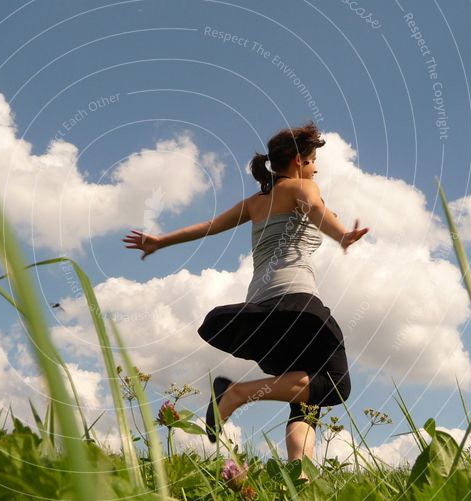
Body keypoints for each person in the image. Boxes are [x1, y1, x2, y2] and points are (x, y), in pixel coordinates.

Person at [121, 122, 368, 467]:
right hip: (295, 302)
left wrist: (161, 241)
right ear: (298, 162)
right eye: (313, 162)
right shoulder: (303, 187)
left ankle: (301, 475)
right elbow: (315, 210)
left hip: (264, 308)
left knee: (307, 401)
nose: (314, 169)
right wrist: (341, 234)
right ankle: (237, 393)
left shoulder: (255, 202)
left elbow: (208, 227)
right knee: (338, 385)